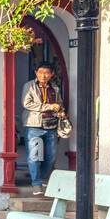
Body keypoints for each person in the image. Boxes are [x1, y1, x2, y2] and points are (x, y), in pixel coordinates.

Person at [21, 62, 66, 193]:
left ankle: (43, 178)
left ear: (52, 74)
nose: (43, 75)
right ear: (36, 73)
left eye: (46, 73)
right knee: (33, 155)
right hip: (33, 125)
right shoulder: (29, 86)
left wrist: (61, 111)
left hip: (51, 124)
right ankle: (36, 183)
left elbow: (59, 104)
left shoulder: (55, 88)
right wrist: (49, 106)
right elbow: (26, 104)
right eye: (40, 72)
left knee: (51, 155)